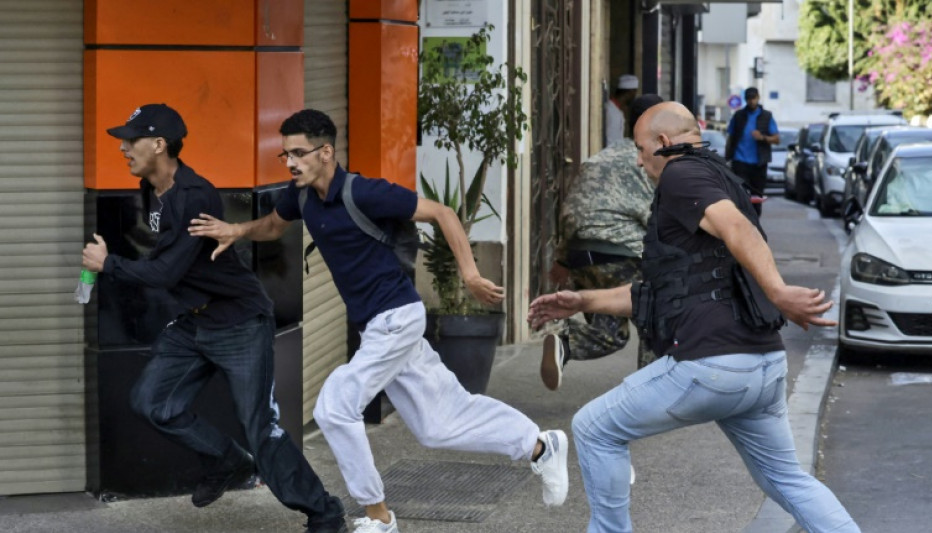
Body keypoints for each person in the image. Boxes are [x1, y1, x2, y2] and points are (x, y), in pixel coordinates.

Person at [188, 109, 569, 533]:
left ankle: (378, 516)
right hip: (378, 326)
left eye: (299, 153)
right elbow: (274, 226)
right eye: (286, 155)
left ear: (326, 151)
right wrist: (236, 230)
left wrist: (471, 274)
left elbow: (442, 212)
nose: (291, 162)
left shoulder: (366, 193)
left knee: (334, 407)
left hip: (397, 318)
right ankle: (540, 446)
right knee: (439, 424)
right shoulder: (299, 197)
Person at [528, 102, 860, 533]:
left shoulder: (681, 174)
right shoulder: (718, 175)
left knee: (593, 427)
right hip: (762, 369)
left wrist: (778, 292)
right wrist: (582, 302)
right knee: (787, 479)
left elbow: (736, 230)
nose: (637, 159)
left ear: (664, 144)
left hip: (712, 367)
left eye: (641, 148)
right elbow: (661, 293)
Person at [80, 104, 346, 533]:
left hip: (239, 322)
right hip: (195, 322)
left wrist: (107, 264)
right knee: (151, 402)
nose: (124, 147)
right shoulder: (152, 188)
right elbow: (163, 257)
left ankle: (324, 510)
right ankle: (225, 460)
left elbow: (166, 272)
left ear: (159, 144)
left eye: (132, 139)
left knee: (260, 427)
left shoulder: (193, 196)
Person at [542, 94, 663, 391]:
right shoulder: (650, 160)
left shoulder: (599, 158)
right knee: (657, 316)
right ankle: (651, 394)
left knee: (609, 333)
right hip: (624, 254)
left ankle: (564, 343)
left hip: (582, 255)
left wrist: (563, 259)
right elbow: (660, 219)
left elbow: (573, 209)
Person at [726, 87, 779, 215]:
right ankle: (744, 219)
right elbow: (731, 136)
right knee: (740, 193)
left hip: (759, 163)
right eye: (749, 99)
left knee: (757, 195)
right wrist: (728, 157)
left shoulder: (767, 116)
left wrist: (763, 137)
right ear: (745, 99)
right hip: (740, 161)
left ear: (758, 98)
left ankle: (755, 221)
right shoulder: (738, 116)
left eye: (753, 98)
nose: (751, 101)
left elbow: (776, 139)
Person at [604, 74, 639, 146]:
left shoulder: (618, 110)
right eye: (634, 92)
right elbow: (611, 140)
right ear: (630, 92)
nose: (634, 96)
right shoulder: (611, 111)